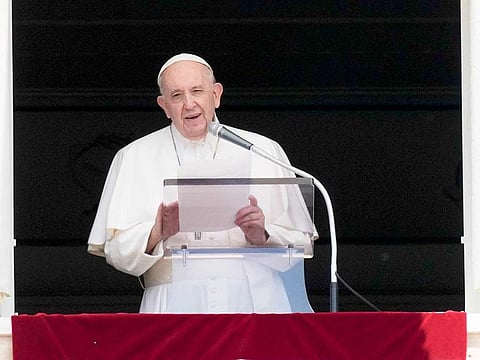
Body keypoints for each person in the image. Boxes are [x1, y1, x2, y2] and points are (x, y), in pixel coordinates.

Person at [87, 53, 315, 313]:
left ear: (216, 95)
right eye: (176, 96)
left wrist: (262, 235)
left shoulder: (263, 149)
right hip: (172, 302)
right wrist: (156, 233)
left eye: (197, 91)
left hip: (255, 301)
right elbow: (116, 253)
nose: (189, 103)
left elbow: (300, 245)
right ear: (164, 105)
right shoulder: (133, 156)